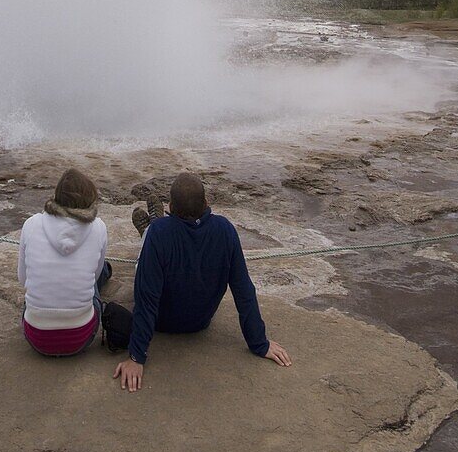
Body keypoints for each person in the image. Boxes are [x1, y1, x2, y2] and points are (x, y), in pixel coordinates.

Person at [113, 172, 292, 391]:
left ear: (171, 206)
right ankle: (150, 224)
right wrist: (259, 343)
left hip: (162, 322)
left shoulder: (160, 234)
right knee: (159, 239)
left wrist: (136, 356)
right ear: (207, 203)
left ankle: (149, 227)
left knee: (148, 250)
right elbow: (243, 289)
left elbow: (147, 298)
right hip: (199, 321)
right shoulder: (225, 230)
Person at [18, 167, 110, 356]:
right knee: (99, 275)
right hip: (80, 338)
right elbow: (95, 277)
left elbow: (23, 279)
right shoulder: (98, 227)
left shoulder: (32, 224)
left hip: (37, 338)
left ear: (57, 196)